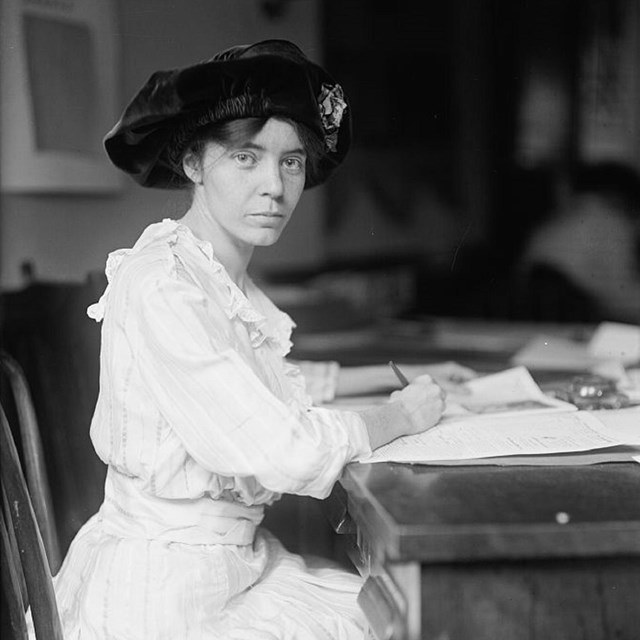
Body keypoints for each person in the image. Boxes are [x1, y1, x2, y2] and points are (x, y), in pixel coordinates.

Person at [40, 40, 475, 639]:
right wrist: (396, 416)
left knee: (413, 611)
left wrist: (378, 385)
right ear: (193, 164)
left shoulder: (217, 278)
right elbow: (281, 446)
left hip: (233, 566)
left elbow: (262, 387)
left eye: (292, 162)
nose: (274, 185)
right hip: (166, 593)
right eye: (247, 157)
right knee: (413, 620)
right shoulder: (162, 285)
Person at [519, 161, 640, 324]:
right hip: (568, 315)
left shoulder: (564, 215)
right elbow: (619, 294)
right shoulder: (610, 222)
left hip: (527, 312)